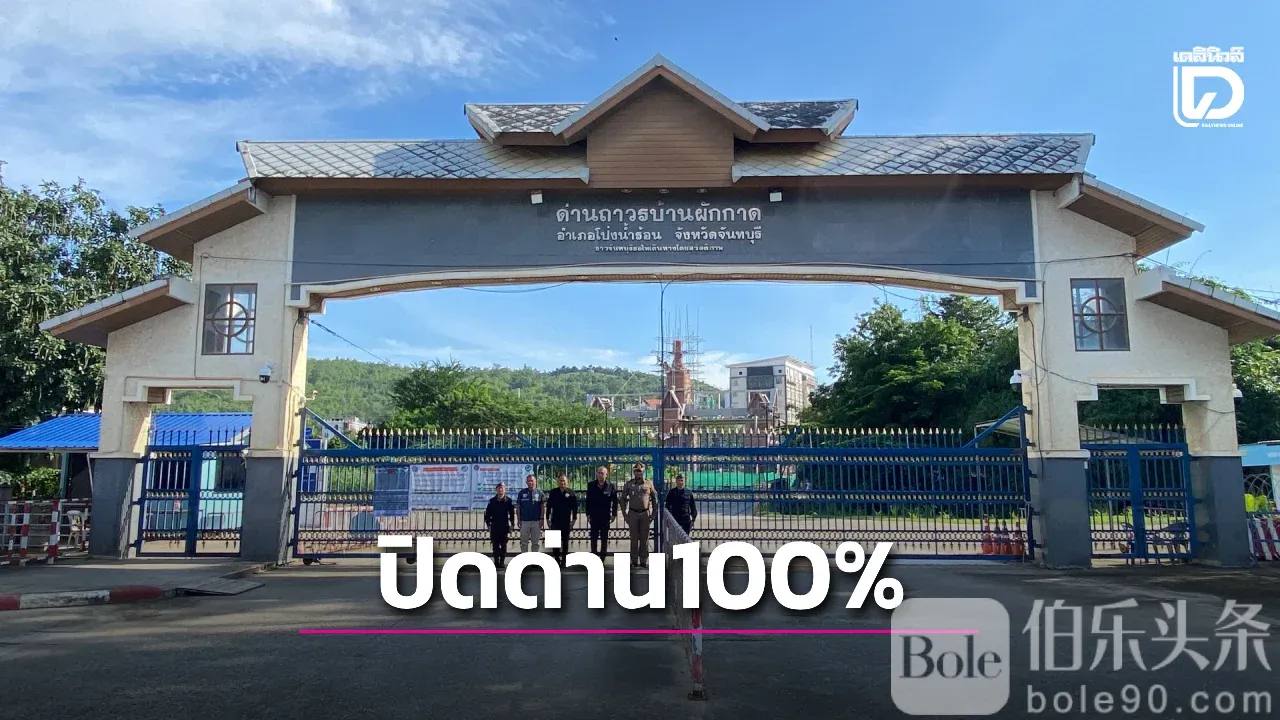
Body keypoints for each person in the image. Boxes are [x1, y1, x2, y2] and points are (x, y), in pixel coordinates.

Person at [621, 462, 657, 568]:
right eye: (636, 471)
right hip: (633, 514)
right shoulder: (629, 484)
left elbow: (655, 499)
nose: (638, 473)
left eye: (640, 471)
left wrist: (653, 514)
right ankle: (633, 561)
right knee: (634, 539)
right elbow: (623, 499)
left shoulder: (649, 483)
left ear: (643, 472)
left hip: (645, 514)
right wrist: (624, 514)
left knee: (644, 538)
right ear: (634, 472)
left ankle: (643, 561)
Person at [584, 465, 619, 559]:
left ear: (606, 475)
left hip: (605, 516)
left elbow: (615, 501)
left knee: (604, 538)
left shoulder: (610, 486)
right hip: (594, 516)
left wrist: (614, 514)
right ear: (596, 474)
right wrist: (588, 514)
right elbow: (588, 501)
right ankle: (594, 556)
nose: (600, 475)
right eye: (599, 473)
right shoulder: (591, 485)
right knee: (593, 538)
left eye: (602, 473)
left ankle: (603, 557)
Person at [546, 472, 578, 566]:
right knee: (554, 542)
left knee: (565, 542)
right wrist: (547, 518)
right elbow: (549, 506)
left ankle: (564, 560)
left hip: (566, 521)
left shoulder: (571, 492)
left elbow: (575, 507)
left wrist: (574, 519)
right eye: (560, 481)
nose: (562, 482)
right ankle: (556, 559)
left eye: (564, 481)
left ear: (567, 482)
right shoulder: (553, 492)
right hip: (555, 520)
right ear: (558, 482)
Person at [483, 482, 516, 569]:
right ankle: (496, 562)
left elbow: (512, 514)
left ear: (505, 490)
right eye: (499, 488)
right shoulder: (492, 501)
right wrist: (488, 525)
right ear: (496, 490)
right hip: (494, 527)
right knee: (495, 546)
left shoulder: (508, 501)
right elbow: (487, 515)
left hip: (504, 526)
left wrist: (512, 525)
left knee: (504, 546)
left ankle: (502, 562)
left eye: (502, 488)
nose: (500, 490)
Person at [515, 474, 545, 553]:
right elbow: (518, 507)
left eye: (532, 481)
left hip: (536, 521)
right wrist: (518, 519)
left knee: (535, 543)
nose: (530, 482)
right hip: (524, 521)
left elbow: (543, 507)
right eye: (528, 481)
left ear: (535, 482)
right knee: (524, 543)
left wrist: (542, 519)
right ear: (526, 482)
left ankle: (534, 559)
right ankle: (525, 558)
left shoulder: (540, 493)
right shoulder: (522, 493)